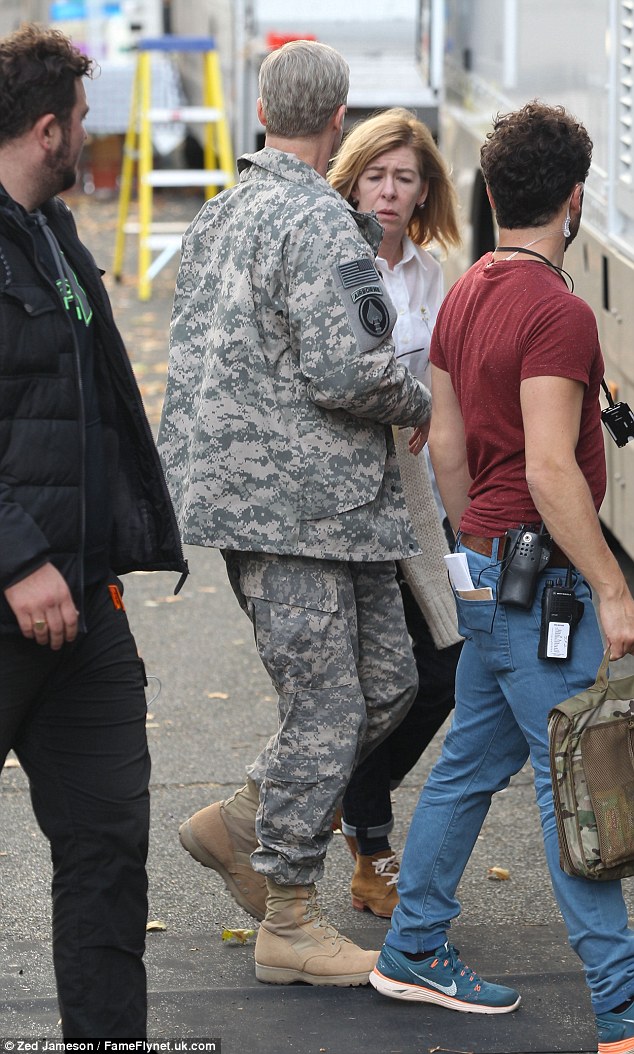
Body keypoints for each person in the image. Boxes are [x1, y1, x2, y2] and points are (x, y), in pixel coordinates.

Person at [158, 40, 431, 987]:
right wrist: (422, 400)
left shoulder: (221, 212)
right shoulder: (320, 225)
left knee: (390, 682)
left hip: (315, 509)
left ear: (265, 110)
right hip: (298, 512)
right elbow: (350, 368)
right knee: (330, 707)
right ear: (339, 123)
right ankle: (289, 916)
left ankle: (239, 824)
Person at [369, 100, 634, 1052]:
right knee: (582, 785)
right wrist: (610, 586)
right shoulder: (557, 313)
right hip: (546, 585)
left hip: (486, 568)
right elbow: (551, 471)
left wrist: (471, 545)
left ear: (489, 191)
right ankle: (623, 1011)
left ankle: (410, 950)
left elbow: (445, 447)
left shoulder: (468, 289)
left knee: (471, 765)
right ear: (575, 199)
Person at [0, 24, 187, 1040]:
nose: (90, 139)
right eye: (80, 121)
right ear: (45, 129)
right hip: (14, 595)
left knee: (110, 848)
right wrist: (16, 556)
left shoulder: (53, 230)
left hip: (84, 610)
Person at [327, 108, 462, 918]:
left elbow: (441, 402)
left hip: (415, 496)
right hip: (343, 499)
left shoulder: (431, 274)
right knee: (369, 678)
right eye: (375, 173)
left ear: (423, 192)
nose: (387, 189)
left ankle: (344, 791)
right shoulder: (333, 258)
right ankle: (371, 848)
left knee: (443, 670)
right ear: (354, 176)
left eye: (403, 177)